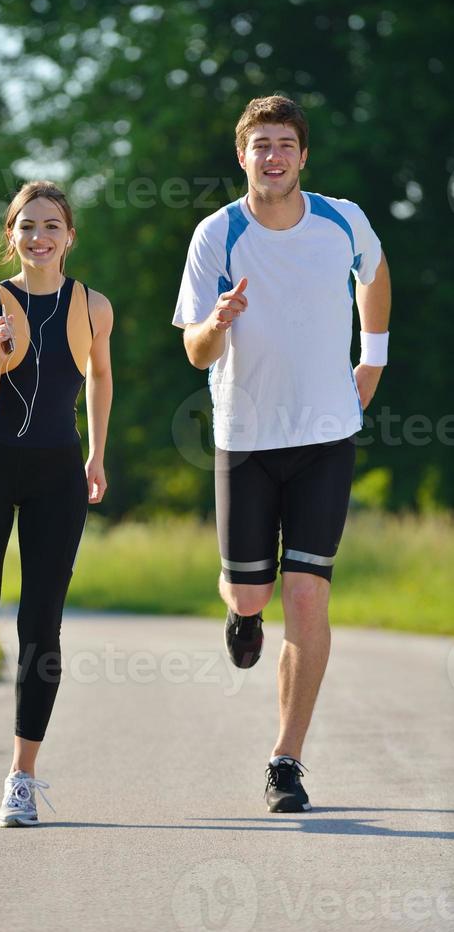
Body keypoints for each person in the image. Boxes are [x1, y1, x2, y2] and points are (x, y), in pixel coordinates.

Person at [172, 95, 391, 812]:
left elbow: (376, 276)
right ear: (242, 156)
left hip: (327, 432)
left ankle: (286, 760)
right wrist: (218, 320)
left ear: (304, 155)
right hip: (245, 438)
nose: (273, 155)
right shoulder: (218, 233)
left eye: (285, 144)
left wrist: (373, 360)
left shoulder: (342, 219)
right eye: (260, 144)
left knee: (307, 592)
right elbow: (195, 350)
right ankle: (240, 615)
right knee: (252, 593)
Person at [0, 180, 113, 826]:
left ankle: (21, 775)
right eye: (26, 226)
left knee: (42, 624)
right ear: (9, 236)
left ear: (69, 235)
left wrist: (96, 453)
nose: (38, 237)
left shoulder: (95, 307)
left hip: (56, 472)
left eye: (51, 225)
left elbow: (99, 375)